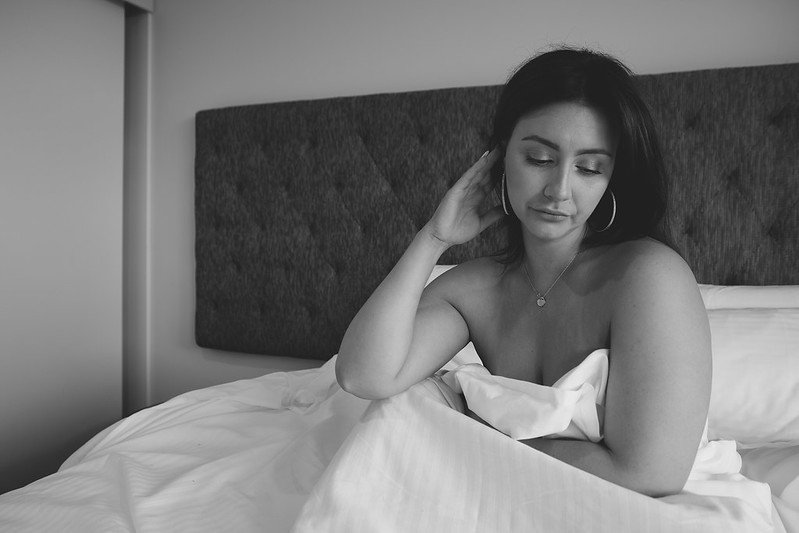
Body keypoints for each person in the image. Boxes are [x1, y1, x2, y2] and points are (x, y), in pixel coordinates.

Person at [335, 47, 711, 498]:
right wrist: (434, 237)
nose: (560, 190)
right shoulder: (476, 288)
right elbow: (363, 376)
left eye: (589, 168)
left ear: (611, 179)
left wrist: (480, 438)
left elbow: (651, 475)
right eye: (539, 159)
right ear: (499, 158)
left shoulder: (648, 276)